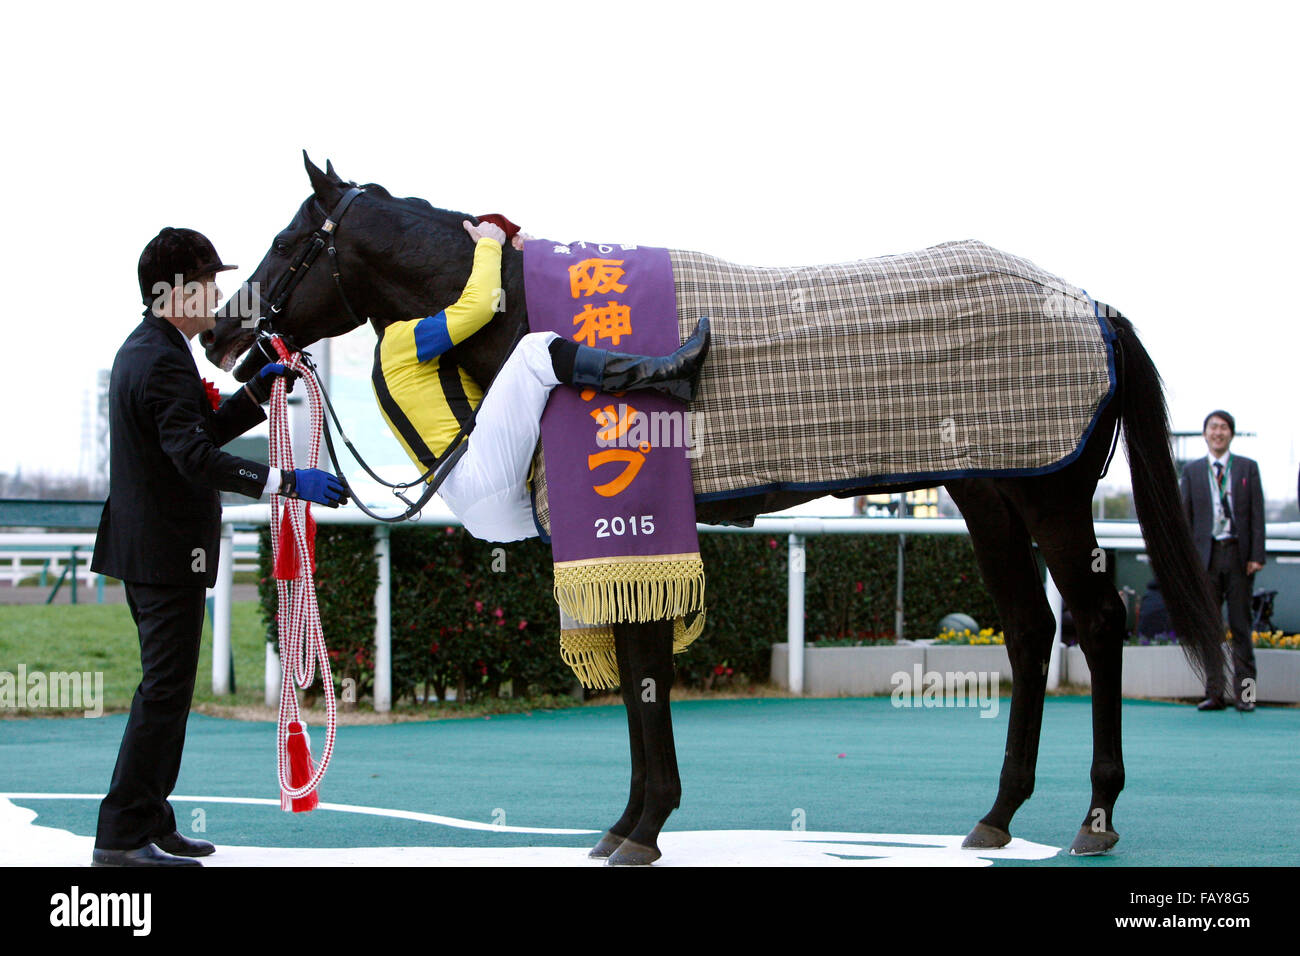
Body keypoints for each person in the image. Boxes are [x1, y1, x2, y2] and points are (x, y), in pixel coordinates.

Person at [89, 227, 349, 866]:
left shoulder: (152, 350)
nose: (217, 295)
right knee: (163, 692)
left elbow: (198, 429)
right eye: (207, 282)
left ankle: (149, 818)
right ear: (176, 290)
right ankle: (120, 834)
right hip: (163, 552)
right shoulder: (160, 358)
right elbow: (194, 455)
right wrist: (287, 480)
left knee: (167, 691)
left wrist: (259, 390)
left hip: (155, 550)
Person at [371, 219, 710, 542]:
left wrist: (529, 261)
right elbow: (479, 307)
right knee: (534, 353)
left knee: (611, 486)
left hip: (486, 514)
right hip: (477, 479)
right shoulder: (398, 341)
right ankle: (665, 375)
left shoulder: (400, 365)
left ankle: (719, 504)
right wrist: (490, 242)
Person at [1178, 410, 1264, 712]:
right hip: (1205, 558)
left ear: (1231, 433)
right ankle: (1214, 693)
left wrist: (1257, 555)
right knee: (1209, 628)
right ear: (1205, 434)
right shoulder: (1191, 471)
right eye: (1213, 427)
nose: (1218, 432)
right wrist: (1187, 562)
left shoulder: (1247, 468)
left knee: (1241, 627)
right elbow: (1184, 518)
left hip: (1239, 555)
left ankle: (1246, 694)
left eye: (1224, 427)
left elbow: (1257, 515)